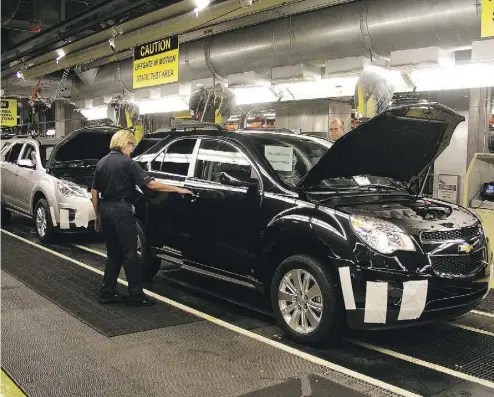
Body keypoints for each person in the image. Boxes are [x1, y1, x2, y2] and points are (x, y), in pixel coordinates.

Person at [91, 129, 192, 307]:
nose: (132, 149)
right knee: (130, 254)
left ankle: (107, 292)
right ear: (125, 143)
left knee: (113, 254)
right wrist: (177, 189)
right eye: (131, 145)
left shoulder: (102, 163)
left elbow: (94, 193)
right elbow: (151, 184)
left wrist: (98, 216)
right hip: (121, 210)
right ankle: (136, 295)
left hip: (106, 209)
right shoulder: (128, 163)